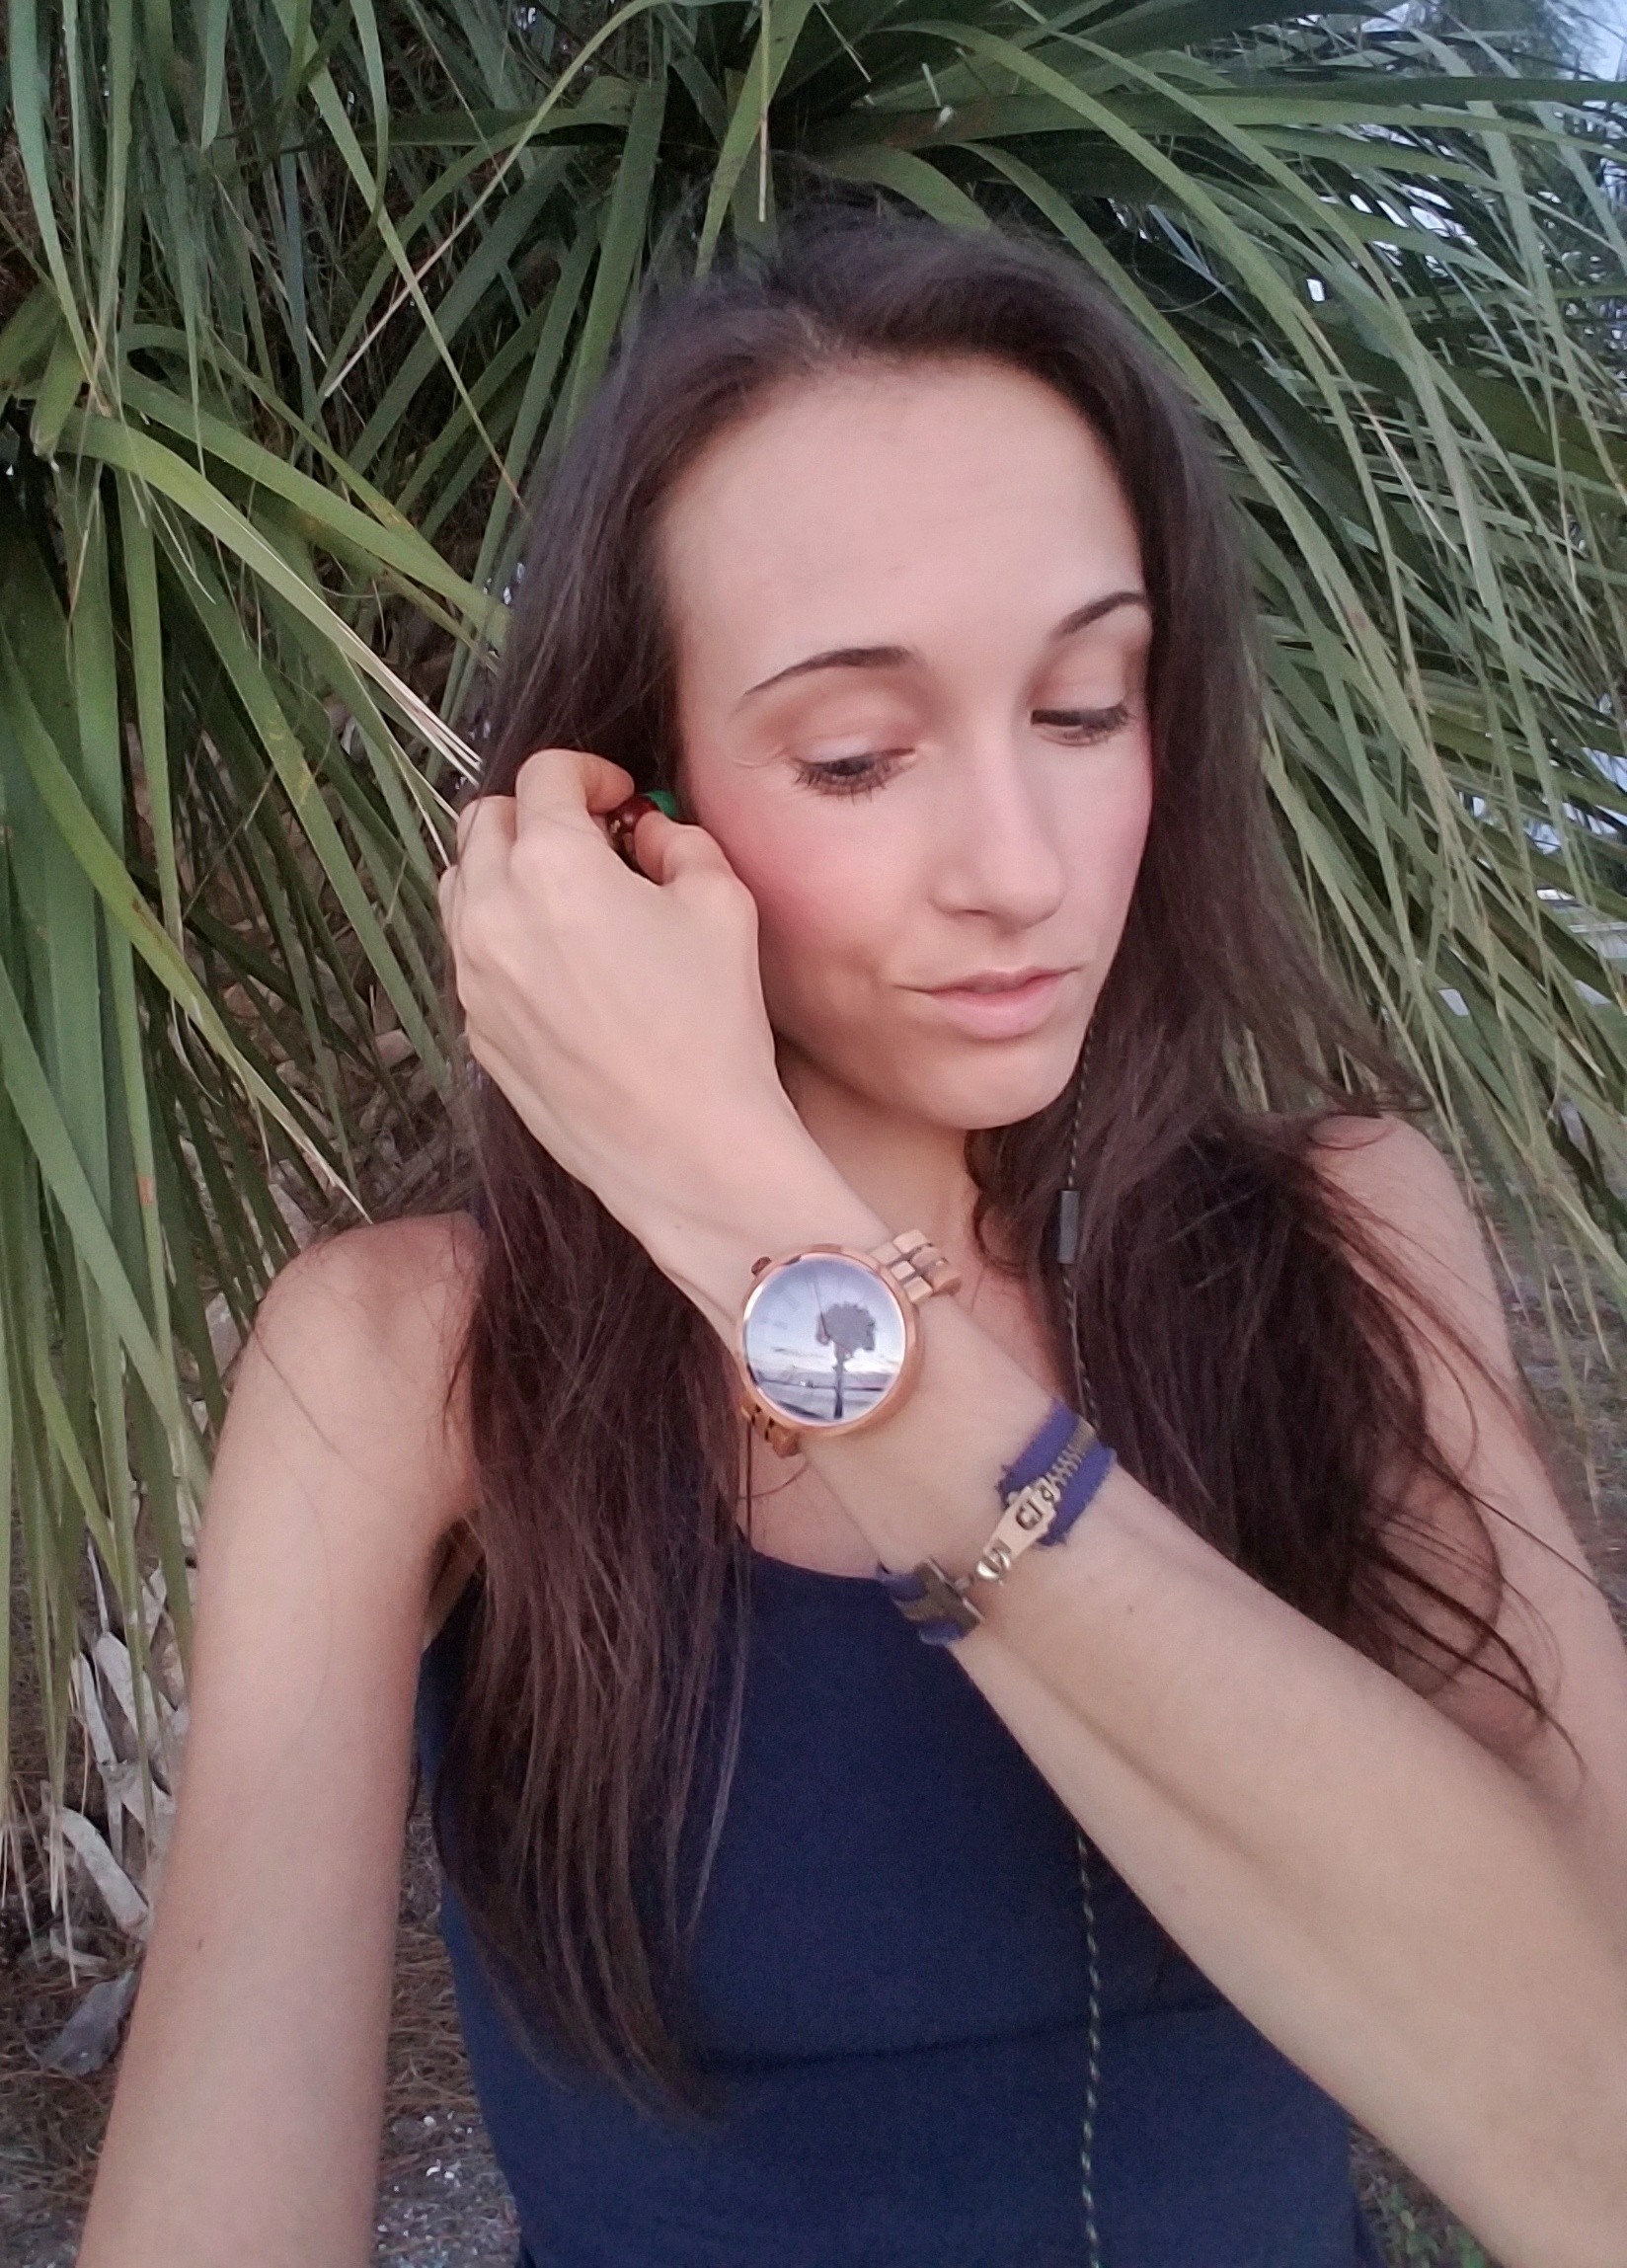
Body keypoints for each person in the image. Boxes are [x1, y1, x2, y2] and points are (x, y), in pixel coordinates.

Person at [79, 213, 1627, 2268]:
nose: (1017, 867)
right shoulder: (405, 1366)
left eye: (1086, 707)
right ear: (633, 806)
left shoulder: (1333, 1241)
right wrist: (716, 1201)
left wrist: (762, 1235)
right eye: (854, 755)